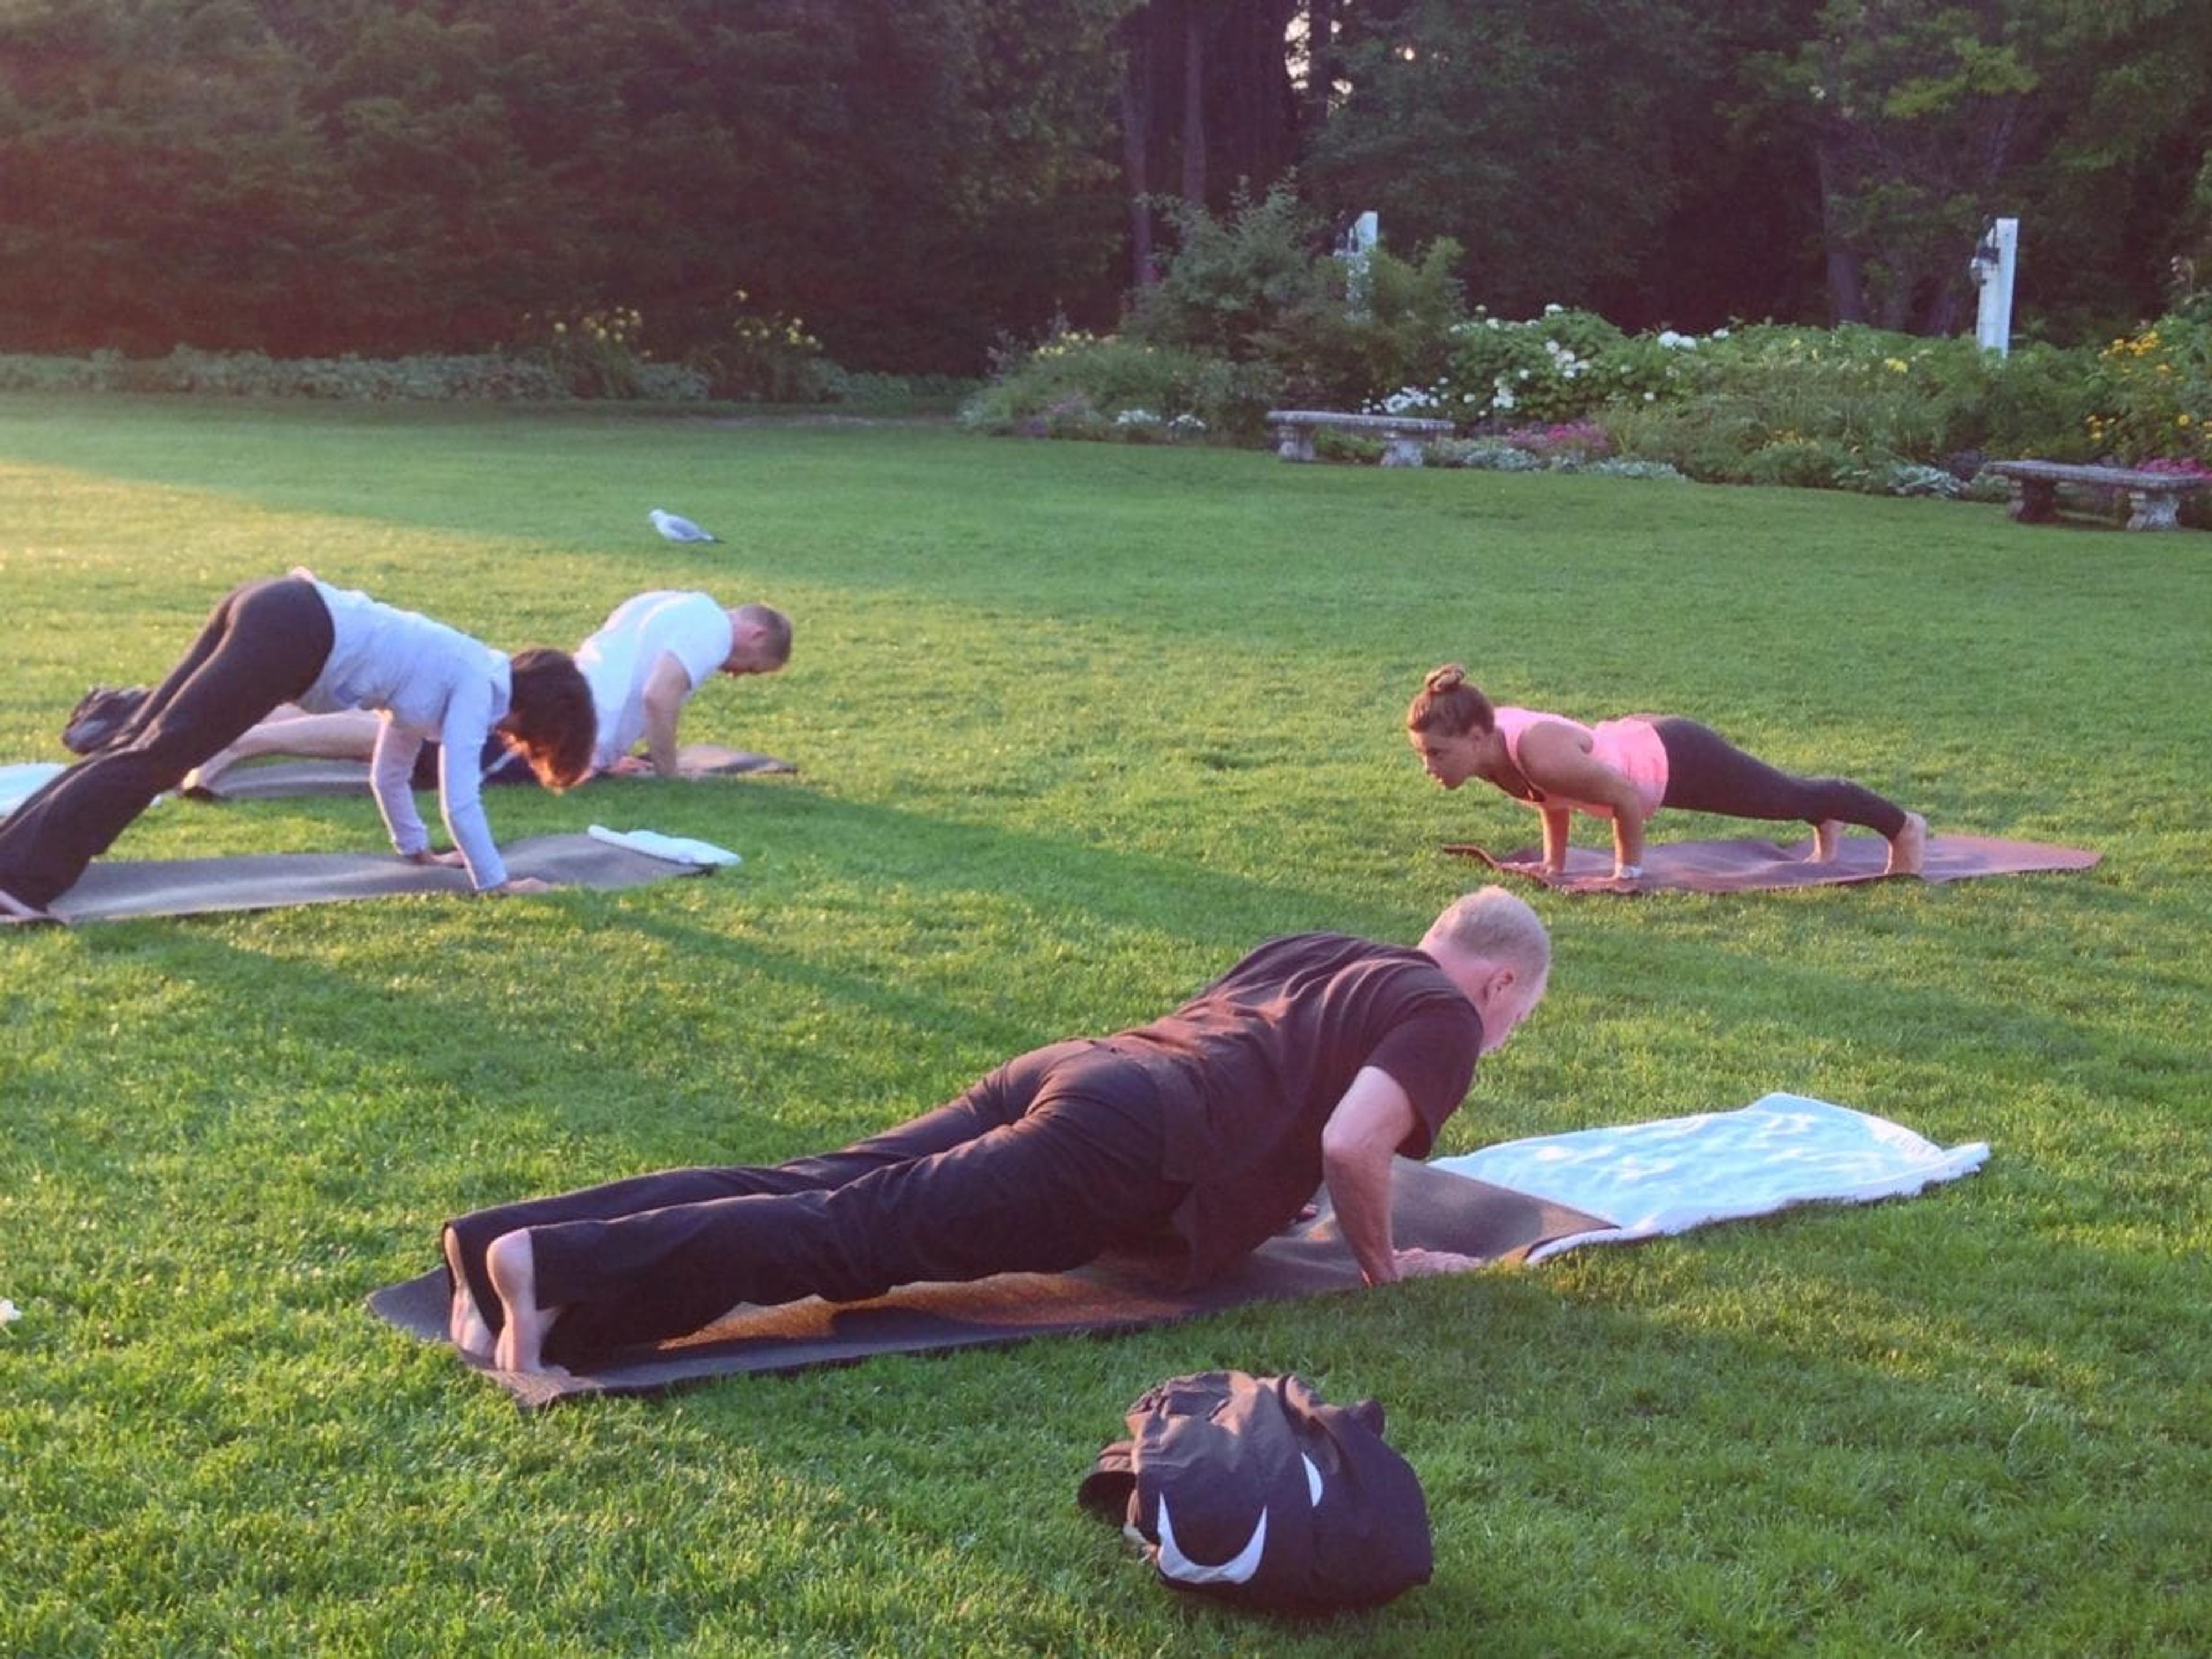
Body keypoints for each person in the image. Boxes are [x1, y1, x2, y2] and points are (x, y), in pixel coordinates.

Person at [442, 886, 1552, 1373]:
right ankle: (553, 1271)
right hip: (1121, 1137)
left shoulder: (1329, 952)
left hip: (1081, 1068)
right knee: (851, 1235)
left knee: (812, 1179)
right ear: (1500, 984)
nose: (1495, 1039)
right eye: (1517, 1020)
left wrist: (1273, 1190)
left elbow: (1268, 1073)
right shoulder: (1443, 1013)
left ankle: (498, 1242)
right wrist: (1381, 1264)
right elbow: (1353, 1143)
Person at [0, 571, 596, 921]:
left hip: (276, 603)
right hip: (295, 628)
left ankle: (12, 863)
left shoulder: (455, 675)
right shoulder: (478, 687)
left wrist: (416, 851)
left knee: (139, 744)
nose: (522, 746)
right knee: (160, 756)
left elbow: (390, 770)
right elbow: (460, 798)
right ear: (542, 713)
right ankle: (22, 882)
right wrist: (495, 883)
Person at [177, 591, 792, 791]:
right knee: (416, 738)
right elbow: (661, 697)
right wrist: (669, 770)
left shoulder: (670, 600)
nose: (737, 675)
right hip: (559, 721)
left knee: (416, 720)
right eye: (753, 667)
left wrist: (605, 755)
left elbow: (623, 671)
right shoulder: (712, 629)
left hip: (564, 703)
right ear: (756, 631)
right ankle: (244, 741)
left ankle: (226, 722)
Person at [1404, 664, 1927, 881]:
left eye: (1437, 754)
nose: (1429, 767)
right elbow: (1552, 797)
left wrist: (1627, 874)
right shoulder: (1493, 748)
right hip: (1649, 743)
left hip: (1676, 759)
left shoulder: (1537, 751)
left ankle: (1903, 827)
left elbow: (1625, 798)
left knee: (1785, 795)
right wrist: (1553, 865)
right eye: (1424, 755)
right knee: (1785, 795)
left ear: (1473, 738)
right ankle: (1823, 814)